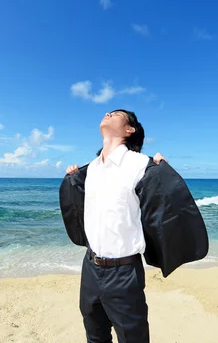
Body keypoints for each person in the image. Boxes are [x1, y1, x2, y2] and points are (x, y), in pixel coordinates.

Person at [59, 109, 208, 343]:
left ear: (130, 130)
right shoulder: (92, 169)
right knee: (94, 335)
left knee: (133, 338)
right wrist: (72, 179)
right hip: (90, 266)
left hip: (124, 272)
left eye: (116, 113)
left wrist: (163, 174)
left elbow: (164, 206)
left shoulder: (140, 164)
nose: (107, 113)